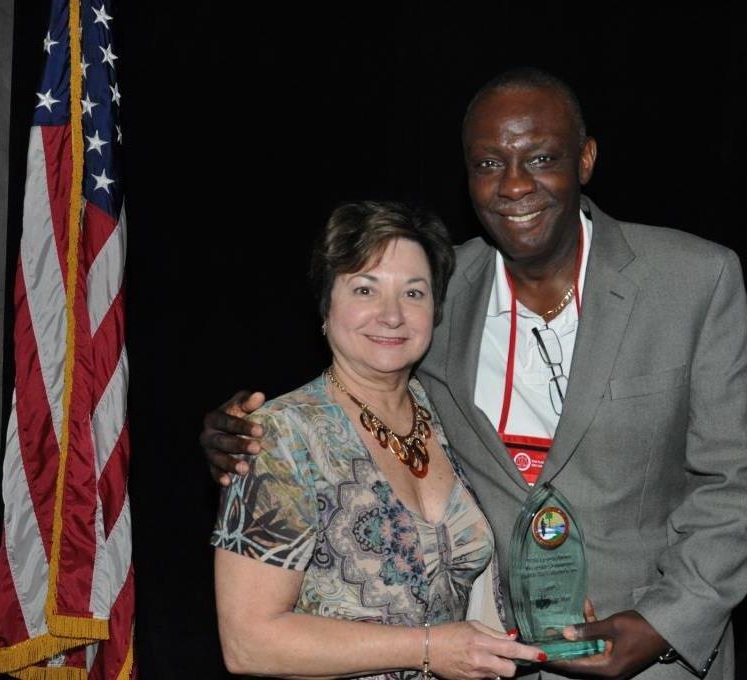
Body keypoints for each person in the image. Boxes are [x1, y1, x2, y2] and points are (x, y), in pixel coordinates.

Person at [203, 68, 747, 680]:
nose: (514, 185)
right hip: (491, 660)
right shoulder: (442, 291)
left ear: (585, 159)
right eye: (488, 164)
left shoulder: (693, 280)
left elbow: (738, 475)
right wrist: (243, 435)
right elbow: (350, 388)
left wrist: (663, 622)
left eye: (541, 158)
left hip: (650, 656)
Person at [210, 200, 544, 679]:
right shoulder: (281, 435)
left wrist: (549, 611)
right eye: (365, 289)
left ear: (436, 310)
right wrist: (427, 648)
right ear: (326, 305)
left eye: (413, 293)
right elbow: (248, 643)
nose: (391, 315)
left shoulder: (452, 413)